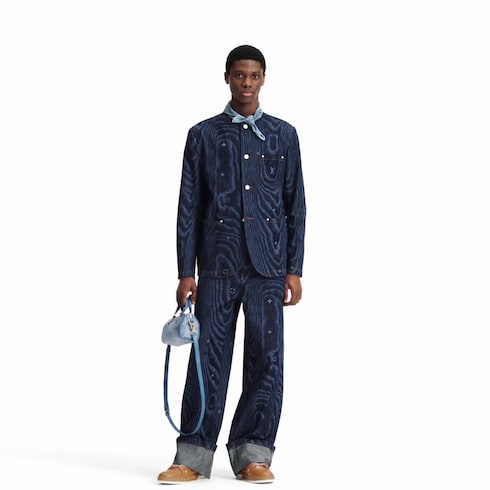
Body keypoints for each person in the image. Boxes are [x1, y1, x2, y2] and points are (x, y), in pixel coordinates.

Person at [157, 45, 306, 484]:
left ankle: (253, 453)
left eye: (254, 76)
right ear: (226, 77)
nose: (246, 83)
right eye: (239, 75)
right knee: (208, 359)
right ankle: (192, 456)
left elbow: (295, 204)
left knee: (266, 361)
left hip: (268, 267)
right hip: (217, 265)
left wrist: (294, 268)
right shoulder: (202, 135)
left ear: (264, 79)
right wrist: (186, 271)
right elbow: (189, 206)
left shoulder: (284, 135)